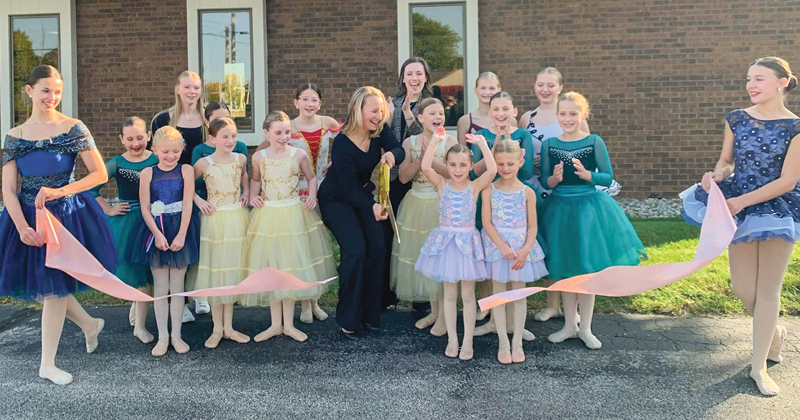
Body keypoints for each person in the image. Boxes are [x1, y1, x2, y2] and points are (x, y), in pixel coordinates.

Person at [682, 57, 800, 396]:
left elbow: (788, 180)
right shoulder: (736, 119)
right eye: (749, 78)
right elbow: (727, 162)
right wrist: (717, 175)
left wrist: (743, 202)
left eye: (759, 79)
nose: (751, 85)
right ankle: (775, 333)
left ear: (781, 82)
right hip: (740, 203)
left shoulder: (796, 127)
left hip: (779, 208)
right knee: (741, 288)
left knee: (768, 290)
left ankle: (758, 366)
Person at [0, 65, 115, 385]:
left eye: (57, 91)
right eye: (45, 90)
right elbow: (8, 190)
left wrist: (60, 190)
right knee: (45, 289)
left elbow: (99, 174)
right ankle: (90, 325)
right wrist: (22, 226)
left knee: (53, 290)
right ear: (29, 91)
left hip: (66, 215)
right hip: (26, 217)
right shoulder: (14, 136)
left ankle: (47, 364)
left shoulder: (73, 127)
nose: (52, 97)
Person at [539, 92, 646, 351]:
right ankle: (568, 326)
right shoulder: (550, 145)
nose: (568, 118)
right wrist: (554, 178)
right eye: (563, 114)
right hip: (560, 210)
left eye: (573, 114)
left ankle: (585, 327)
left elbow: (608, 177)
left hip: (588, 208)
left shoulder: (594, 141)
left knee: (587, 269)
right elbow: (545, 182)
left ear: (583, 115)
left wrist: (589, 175)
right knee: (564, 268)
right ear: (557, 116)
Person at [518, 67, 622, 322]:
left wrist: (587, 175)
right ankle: (554, 306)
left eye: (550, 84)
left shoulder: (580, 123)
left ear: (560, 87)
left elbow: (597, 164)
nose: (545, 89)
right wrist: (548, 174)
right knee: (552, 249)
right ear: (534, 86)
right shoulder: (526, 118)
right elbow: (526, 153)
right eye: (540, 84)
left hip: (579, 194)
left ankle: (578, 317)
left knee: (579, 251)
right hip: (543, 188)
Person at [318, 87, 405, 339]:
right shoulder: (343, 143)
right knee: (356, 250)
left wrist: (391, 154)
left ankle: (370, 313)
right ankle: (348, 317)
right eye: (374, 110)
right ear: (359, 111)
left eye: (381, 110)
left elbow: (398, 150)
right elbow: (348, 188)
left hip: (363, 196)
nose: (379, 115)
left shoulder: (379, 131)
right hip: (337, 200)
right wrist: (374, 205)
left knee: (377, 246)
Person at [243, 111, 336, 342]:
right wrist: (254, 197)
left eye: (287, 132)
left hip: (294, 213)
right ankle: (275, 324)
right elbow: (256, 180)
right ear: (266, 133)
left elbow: (312, 177)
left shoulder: (298, 154)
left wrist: (312, 196)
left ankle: (290, 324)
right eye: (278, 133)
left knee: (290, 268)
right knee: (273, 268)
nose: (284, 137)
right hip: (269, 216)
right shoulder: (259, 157)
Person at [415, 131, 496, 360]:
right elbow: (427, 166)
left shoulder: (474, 186)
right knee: (449, 296)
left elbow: (492, 170)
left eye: (462, 165)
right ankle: (452, 339)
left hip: (468, 245)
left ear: (470, 165)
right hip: (447, 246)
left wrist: (482, 144)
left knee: (468, 296)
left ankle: (468, 342)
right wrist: (435, 142)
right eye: (453, 165)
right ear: (447, 165)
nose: (458, 170)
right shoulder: (442, 184)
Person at [131, 126, 200, 357]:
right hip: (156, 231)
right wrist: (158, 234)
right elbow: (144, 207)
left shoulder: (186, 170)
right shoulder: (148, 173)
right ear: (155, 150)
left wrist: (181, 234)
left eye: (175, 152)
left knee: (178, 288)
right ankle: (162, 336)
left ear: (182, 150)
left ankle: (177, 335)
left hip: (181, 228)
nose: (171, 157)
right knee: (161, 288)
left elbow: (188, 203)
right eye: (165, 152)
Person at [391, 98, 456, 335]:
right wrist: (421, 158)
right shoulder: (410, 142)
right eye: (432, 113)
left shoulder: (450, 141)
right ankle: (434, 312)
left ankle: (443, 315)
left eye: (441, 112)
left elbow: (452, 174)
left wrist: (432, 155)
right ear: (420, 118)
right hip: (415, 204)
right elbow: (403, 178)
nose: (438, 116)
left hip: (439, 204)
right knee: (423, 256)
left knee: (440, 260)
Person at [91, 117, 158, 343]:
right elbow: (90, 190)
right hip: (130, 221)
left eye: (140, 137)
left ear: (149, 135)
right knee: (138, 271)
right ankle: (140, 326)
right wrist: (109, 208)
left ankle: (138, 307)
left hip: (156, 220)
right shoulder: (117, 163)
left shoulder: (158, 159)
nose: (135, 143)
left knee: (153, 271)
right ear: (121, 139)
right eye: (129, 139)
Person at [480, 140, 548, 364]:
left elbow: (533, 227)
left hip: (520, 250)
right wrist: (502, 247)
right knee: (498, 295)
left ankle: (517, 341)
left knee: (518, 295)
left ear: (520, 162)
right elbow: (486, 223)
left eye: (510, 163)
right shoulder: (488, 190)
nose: (505, 168)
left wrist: (525, 250)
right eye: (500, 164)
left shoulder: (528, 192)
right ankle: (502, 341)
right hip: (498, 248)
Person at [150, 70, 207, 323]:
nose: (192, 91)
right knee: (175, 247)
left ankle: (199, 293)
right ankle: (179, 301)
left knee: (199, 243)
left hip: (203, 189)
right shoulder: (163, 119)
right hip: (171, 193)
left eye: (196, 87)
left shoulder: (207, 121)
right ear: (177, 88)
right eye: (187, 87)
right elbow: (156, 157)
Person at [192, 118, 251, 348]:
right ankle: (217, 328)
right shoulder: (204, 163)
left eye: (234, 136)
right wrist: (198, 200)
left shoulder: (241, 159)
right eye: (225, 136)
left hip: (236, 217)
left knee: (232, 270)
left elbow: (244, 178)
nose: (230, 140)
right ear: (212, 139)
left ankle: (229, 327)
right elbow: (186, 186)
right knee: (217, 271)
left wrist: (246, 192)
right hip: (214, 219)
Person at [385, 57, 435, 313]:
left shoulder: (431, 105)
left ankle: (421, 297)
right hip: (394, 176)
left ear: (426, 77)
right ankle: (391, 292)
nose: (414, 78)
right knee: (392, 235)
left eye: (419, 73)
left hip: (421, 177)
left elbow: (425, 136)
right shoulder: (390, 104)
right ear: (402, 77)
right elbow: (385, 135)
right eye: (409, 73)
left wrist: (408, 115)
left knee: (421, 236)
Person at [288, 82, 340, 324]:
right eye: (304, 99)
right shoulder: (286, 127)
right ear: (295, 102)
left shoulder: (328, 123)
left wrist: (334, 162)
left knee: (318, 246)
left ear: (320, 103)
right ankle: (304, 304)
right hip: (298, 193)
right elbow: (265, 154)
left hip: (323, 189)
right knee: (303, 247)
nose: (309, 104)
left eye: (314, 100)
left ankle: (316, 300)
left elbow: (346, 143)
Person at [456, 72, 501, 145]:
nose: (487, 92)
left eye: (492, 88)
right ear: (475, 90)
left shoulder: (509, 120)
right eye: (483, 88)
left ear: (499, 90)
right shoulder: (465, 122)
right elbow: (461, 154)